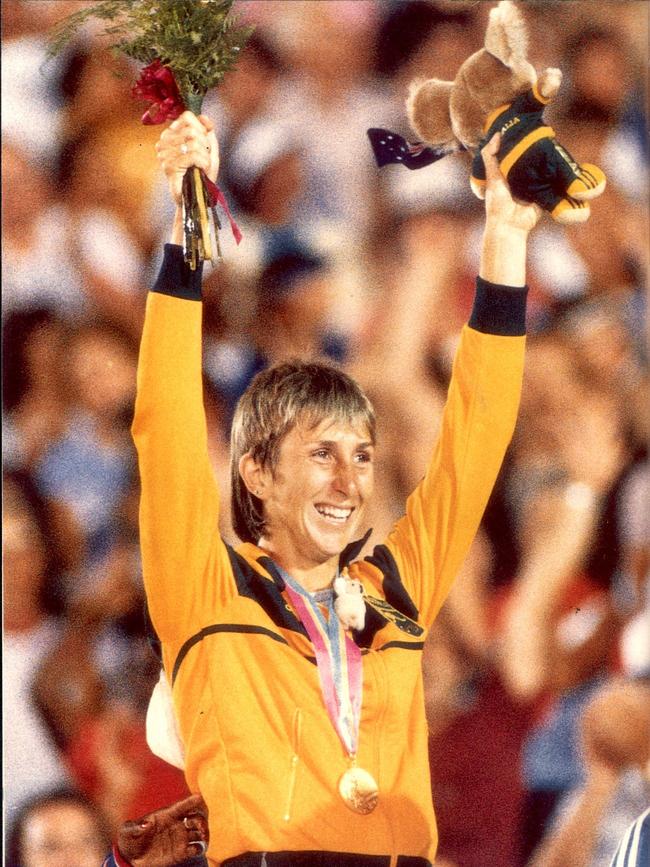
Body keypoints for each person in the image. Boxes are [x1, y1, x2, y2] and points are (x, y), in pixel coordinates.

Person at [132, 109, 540, 866]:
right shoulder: (205, 584)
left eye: (362, 456)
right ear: (256, 471)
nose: (350, 481)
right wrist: (188, 220)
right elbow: (165, 420)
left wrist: (504, 242)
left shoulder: (395, 588)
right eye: (322, 454)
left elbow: (475, 442)